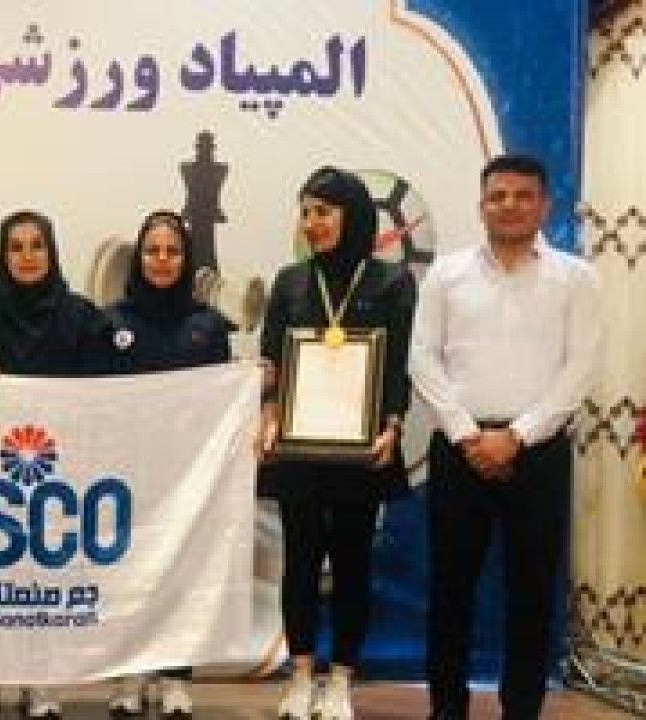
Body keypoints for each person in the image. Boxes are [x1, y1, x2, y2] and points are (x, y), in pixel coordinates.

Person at [409, 153, 600, 720]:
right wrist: (469, 434)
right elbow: (422, 359)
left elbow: (582, 367)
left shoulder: (576, 278)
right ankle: (447, 707)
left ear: (545, 205)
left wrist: (517, 435)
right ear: (482, 205)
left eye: (523, 196)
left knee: (532, 591)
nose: (510, 205)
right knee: (450, 588)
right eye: (498, 196)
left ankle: (522, 708)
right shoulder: (446, 274)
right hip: (459, 449)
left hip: (538, 452)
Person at [256, 167, 415, 720]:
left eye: (323, 212)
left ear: (353, 215)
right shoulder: (289, 282)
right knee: (300, 561)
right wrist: (267, 413)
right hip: (299, 450)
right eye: (305, 212)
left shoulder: (392, 282)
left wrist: (393, 425)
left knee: (352, 563)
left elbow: (399, 366)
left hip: (361, 451)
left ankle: (342, 680)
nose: (312, 223)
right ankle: (301, 676)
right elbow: (272, 361)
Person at [0, 209, 111, 720]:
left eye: (37, 245)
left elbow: (107, 388)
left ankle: (42, 680)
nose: (27, 256)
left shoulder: (81, 317)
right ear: (2, 255)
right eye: (15, 247)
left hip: (58, 475)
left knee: (47, 576)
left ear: (52, 251)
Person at [102, 210, 233, 720]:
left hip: (187, 478)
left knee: (181, 573)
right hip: (125, 474)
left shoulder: (208, 326)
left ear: (187, 260)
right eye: (152, 251)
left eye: (172, 251)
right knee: (126, 574)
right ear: (138, 258)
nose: (161, 260)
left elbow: (224, 400)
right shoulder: (110, 322)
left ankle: (176, 675)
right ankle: (128, 673)